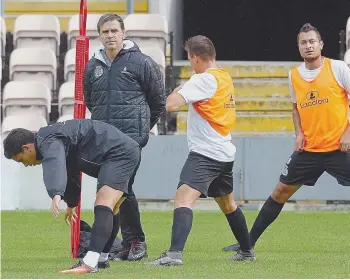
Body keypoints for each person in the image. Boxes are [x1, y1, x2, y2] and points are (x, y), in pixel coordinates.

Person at [222, 23, 350, 255]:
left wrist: (349, 132)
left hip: (340, 149)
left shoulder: (338, 68)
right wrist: (299, 133)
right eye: (303, 43)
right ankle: (247, 245)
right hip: (309, 151)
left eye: (312, 41)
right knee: (279, 193)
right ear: (299, 47)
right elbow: (295, 108)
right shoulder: (294, 75)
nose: (308, 46)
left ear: (321, 44)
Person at [145, 35, 255, 266]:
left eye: (189, 58)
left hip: (206, 153)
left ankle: (174, 254)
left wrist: (174, 93)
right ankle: (247, 251)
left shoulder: (202, 80)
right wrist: (185, 88)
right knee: (228, 204)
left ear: (195, 57)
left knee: (183, 198)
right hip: (224, 152)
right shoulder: (223, 76)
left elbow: (172, 105)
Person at [3, 119, 143, 274]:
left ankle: (89, 263)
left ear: (26, 148)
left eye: (21, 160)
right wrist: (71, 203)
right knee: (113, 207)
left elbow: (54, 162)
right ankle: (101, 259)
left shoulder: (48, 140)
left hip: (119, 154)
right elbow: (71, 174)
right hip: (127, 151)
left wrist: (56, 192)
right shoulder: (53, 139)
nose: (26, 165)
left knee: (103, 203)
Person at [83, 13, 166, 262]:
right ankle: (122, 244)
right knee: (119, 191)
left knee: (118, 189)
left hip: (129, 140)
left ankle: (131, 242)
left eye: (114, 31)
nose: (110, 35)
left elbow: (158, 101)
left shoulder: (141, 62)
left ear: (123, 33)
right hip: (103, 142)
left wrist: (141, 129)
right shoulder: (92, 66)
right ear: (99, 35)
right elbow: (90, 100)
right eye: (105, 32)